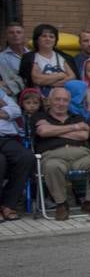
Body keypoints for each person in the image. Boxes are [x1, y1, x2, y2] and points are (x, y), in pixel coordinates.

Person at [34, 85, 90, 219]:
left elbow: (84, 136)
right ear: (49, 100)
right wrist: (74, 128)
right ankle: (61, 204)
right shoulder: (40, 116)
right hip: (54, 156)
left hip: (81, 156)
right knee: (52, 166)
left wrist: (54, 131)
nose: (61, 103)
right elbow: (43, 132)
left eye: (65, 100)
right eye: (57, 99)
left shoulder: (76, 117)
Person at [20, 24, 86, 110]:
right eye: (44, 36)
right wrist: (60, 75)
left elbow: (72, 77)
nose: (48, 39)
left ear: (55, 40)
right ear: (37, 39)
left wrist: (47, 81)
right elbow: (37, 79)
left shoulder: (64, 57)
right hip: (40, 102)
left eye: (51, 37)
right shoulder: (30, 58)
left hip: (62, 100)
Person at [0, 88, 35, 221]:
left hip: (6, 138)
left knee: (26, 157)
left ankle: (8, 204)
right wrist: (4, 110)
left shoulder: (1, 93)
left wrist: (5, 109)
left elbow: (16, 110)